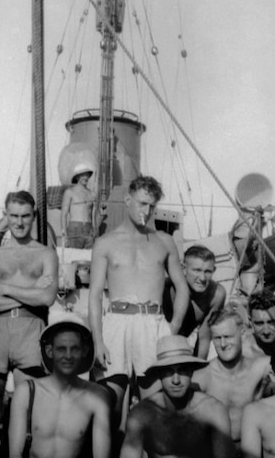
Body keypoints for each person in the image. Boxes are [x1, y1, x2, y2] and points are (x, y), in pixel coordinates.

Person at [89, 176, 189, 410]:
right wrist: (98, 340)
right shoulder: (105, 243)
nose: (147, 210)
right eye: (142, 203)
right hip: (116, 321)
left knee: (157, 407)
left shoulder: (164, 242)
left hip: (153, 323)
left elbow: (182, 287)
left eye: (152, 205)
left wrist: (172, 328)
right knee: (108, 406)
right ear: (127, 200)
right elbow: (94, 295)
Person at [8, 314, 111, 458]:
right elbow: (15, 454)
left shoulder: (96, 396)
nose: (68, 356)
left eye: (74, 349)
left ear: (84, 351)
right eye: (61, 349)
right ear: (50, 351)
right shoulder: (27, 392)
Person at [0, 191, 59, 406]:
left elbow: (47, 298)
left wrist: (5, 288)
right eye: (14, 216)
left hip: (32, 328)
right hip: (0, 329)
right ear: (6, 216)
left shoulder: (45, 254)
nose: (19, 223)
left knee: (29, 403)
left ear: (34, 215)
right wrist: (33, 289)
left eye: (25, 216)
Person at [120, 334, 233, 458]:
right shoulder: (143, 414)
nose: (176, 380)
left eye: (182, 370)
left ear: (191, 372)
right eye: (168, 372)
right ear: (159, 374)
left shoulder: (213, 411)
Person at [192, 309, 271, 452]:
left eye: (228, 336)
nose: (223, 344)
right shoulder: (202, 376)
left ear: (242, 333)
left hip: (254, 449)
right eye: (217, 338)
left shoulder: (259, 367)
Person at [163, 245, 226, 358]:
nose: (202, 278)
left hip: (184, 343)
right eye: (197, 270)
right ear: (183, 268)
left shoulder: (216, 294)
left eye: (207, 271)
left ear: (214, 270)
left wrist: (200, 370)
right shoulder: (167, 288)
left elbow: (204, 336)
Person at [60, 163, 96, 249]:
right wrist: (64, 234)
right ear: (77, 177)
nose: (85, 177)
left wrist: (95, 230)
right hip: (75, 229)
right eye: (82, 175)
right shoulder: (70, 192)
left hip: (89, 229)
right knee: (74, 258)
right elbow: (64, 214)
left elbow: (93, 214)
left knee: (88, 258)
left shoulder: (92, 194)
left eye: (87, 175)